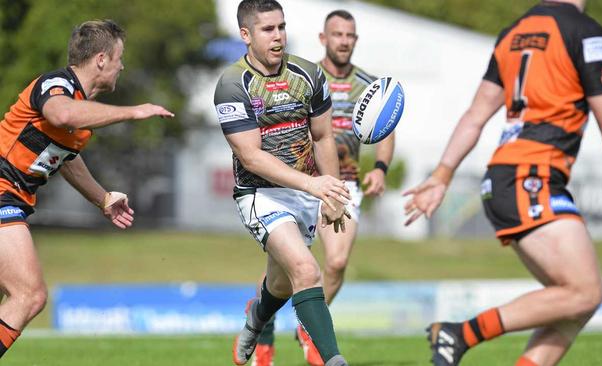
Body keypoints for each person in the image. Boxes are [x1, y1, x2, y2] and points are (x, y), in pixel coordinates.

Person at [403, 1, 602, 365]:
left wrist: (443, 173)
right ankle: (459, 334)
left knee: (573, 303)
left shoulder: (513, 34)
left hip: (510, 176)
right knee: (584, 292)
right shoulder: (586, 32)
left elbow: (476, 115)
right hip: (530, 176)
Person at [0, 19, 174, 358]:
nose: (122, 66)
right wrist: (135, 112)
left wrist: (102, 198)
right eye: (119, 57)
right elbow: (63, 114)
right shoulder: (56, 85)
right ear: (100, 60)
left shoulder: (79, 109)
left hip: (13, 198)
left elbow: (65, 159)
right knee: (29, 294)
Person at [252, 9, 396, 366]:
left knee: (337, 260)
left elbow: (387, 128)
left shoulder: (368, 84)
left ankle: (310, 327)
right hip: (302, 184)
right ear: (323, 38)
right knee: (285, 271)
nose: (344, 41)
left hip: (343, 185)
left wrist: (379, 167)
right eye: (337, 34)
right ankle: (262, 324)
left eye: (350, 35)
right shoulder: (306, 78)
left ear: (356, 40)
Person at [213, 1, 351, 366]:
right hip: (259, 194)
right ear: (246, 35)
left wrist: (332, 192)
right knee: (307, 271)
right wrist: (314, 187)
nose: (278, 36)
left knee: (280, 283)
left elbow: (322, 138)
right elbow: (251, 156)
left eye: (281, 27)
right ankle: (334, 359)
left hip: (304, 192)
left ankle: (256, 318)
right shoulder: (231, 84)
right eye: (267, 29)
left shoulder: (308, 74)